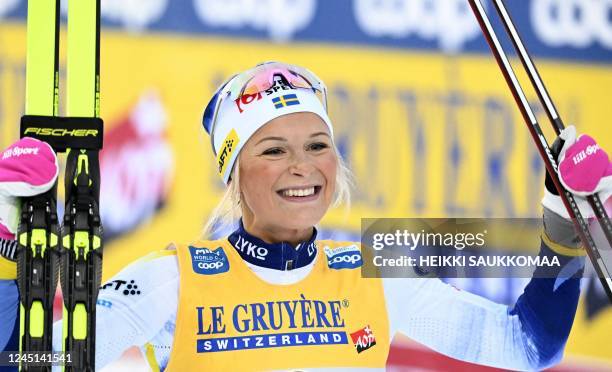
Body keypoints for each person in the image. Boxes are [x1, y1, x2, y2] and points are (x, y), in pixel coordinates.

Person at [0, 61, 611, 371]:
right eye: (273, 149)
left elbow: (528, 346)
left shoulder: (373, 271)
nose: (303, 166)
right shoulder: (173, 279)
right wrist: (7, 239)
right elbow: (29, 364)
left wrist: (564, 222)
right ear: (234, 176)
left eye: (317, 145)